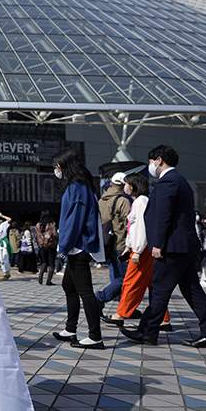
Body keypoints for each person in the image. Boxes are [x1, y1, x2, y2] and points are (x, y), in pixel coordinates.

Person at [120, 145, 206, 348]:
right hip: (183, 247)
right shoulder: (180, 181)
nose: (150, 166)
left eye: (151, 161)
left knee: (159, 290)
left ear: (159, 160)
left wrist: (157, 244)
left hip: (171, 247)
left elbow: (163, 216)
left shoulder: (168, 182)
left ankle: (148, 333)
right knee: (193, 291)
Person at [50, 148, 105, 350]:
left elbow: (73, 222)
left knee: (85, 292)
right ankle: (70, 328)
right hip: (77, 246)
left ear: (65, 167)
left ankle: (95, 336)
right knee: (69, 286)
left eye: (57, 166)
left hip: (78, 247)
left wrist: (62, 248)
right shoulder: (80, 186)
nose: (56, 170)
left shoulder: (77, 187)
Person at [101, 173, 171, 330]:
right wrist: (129, 246)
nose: (124, 187)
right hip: (144, 249)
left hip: (142, 251)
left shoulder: (140, 202)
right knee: (152, 285)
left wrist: (137, 250)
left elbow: (141, 228)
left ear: (132, 186)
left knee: (131, 282)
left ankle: (120, 314)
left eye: (126, 184)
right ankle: (164, 319)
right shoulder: (141, 201)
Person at [95, 172, 132, 305]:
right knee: (123, 278)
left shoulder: (101, 200)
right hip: (120, 243)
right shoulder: (123, 200)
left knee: (114, 272)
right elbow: (130, 224)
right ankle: (101, 296)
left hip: (106, 242)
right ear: (123, 185)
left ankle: (120, 299)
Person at [36, 212, 58, 285]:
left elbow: (37, 236)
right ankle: (48, 281)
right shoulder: (51, 224)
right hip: (50, 246)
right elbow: (54, 234)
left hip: (42, 246)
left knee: (44, 262)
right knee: (51, 264)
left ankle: (40, 277)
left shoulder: (38, 225)